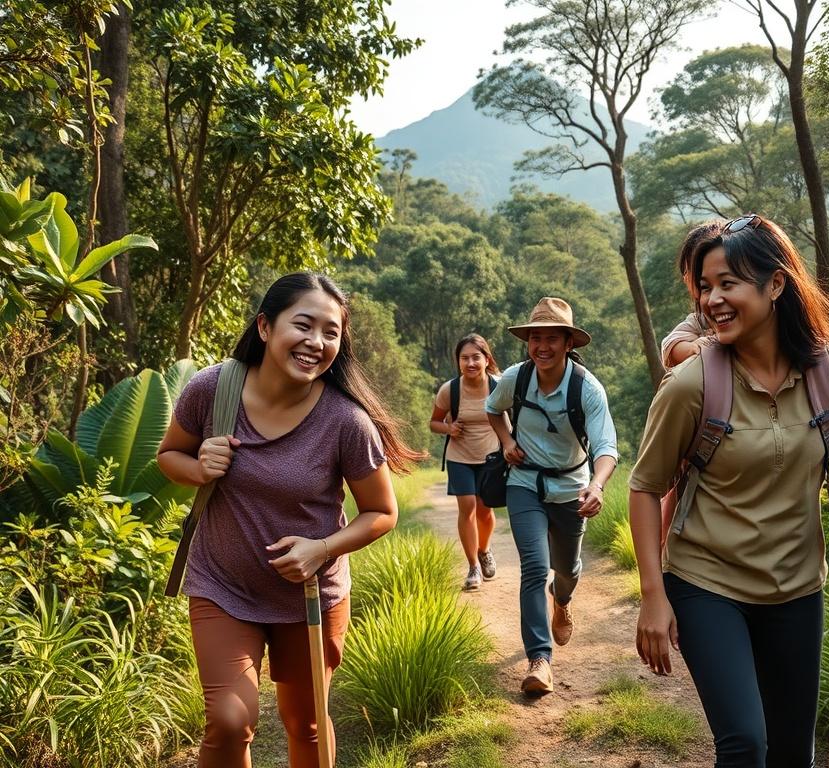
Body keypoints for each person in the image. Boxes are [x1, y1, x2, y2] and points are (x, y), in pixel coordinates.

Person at [629, 215, 829, 767]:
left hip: (797, 587)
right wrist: (654, 597)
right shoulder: (691, 385)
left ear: (776, 285)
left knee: (792, 751)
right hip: (707, 582)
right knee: (745, 743)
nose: (712, 300)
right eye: (705, 287)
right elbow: (644, 487)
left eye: (728, 283)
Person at [157, 272, 422, 768]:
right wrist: (198, 467)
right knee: (230, 721)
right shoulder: (213, 390)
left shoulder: (346, 422)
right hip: (223, 586)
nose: (316, 342)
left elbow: (383, 512)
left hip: (309, 597)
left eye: (331, 332)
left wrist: (320, 549)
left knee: (309, 725)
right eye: (304, 325)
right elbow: (169, 455)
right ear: (264, 326)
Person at [485, 297, 618, 695]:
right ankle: (539, 660)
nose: (542, 346)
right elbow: (493, 408)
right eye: (535, 338)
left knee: (567, 568)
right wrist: (507, 440)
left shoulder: (586, 389)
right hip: (523, 483)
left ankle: (562, 601)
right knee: (533, 567)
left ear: (567, 343)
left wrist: (596, 485)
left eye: (551, 338)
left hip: (570, 490)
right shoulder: (516, 378)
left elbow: (606, 446)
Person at [430, 333, 502, 590]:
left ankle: (484, 550)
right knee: (468, 507)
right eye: (464, 358)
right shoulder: (450, 390)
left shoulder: (499, 386)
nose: (470, 363)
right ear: (458, 361)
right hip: (459, 457)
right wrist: (449, 429)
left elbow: (513, 420)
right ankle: (473, 566)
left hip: (491, 458)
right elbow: (434, 423)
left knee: (485, 510)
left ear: (486, 359)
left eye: (475, 357)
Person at [660, 220, 724, 368]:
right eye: (696, 270)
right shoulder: (700, 321)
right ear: (687, 280)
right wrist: (693, 348)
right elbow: (670, 345)